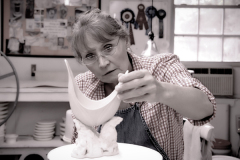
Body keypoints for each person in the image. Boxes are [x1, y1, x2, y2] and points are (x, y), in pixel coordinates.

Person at [70, 8, 216, 160]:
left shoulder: (162, 66)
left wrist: (161, 91)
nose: (102, 63)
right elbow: (78, 146)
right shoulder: (83, 85)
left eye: (108, 47)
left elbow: (206, 109)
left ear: (125, 40)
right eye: (90, 55)